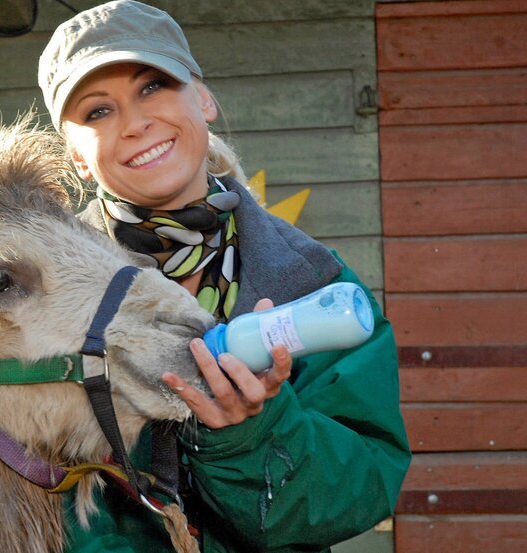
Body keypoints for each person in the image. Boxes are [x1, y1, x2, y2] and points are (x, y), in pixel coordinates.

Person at [37, 2, 411, 552]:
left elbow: (365, 486)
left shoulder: (312, 279)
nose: (136, 123)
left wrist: (249, 435)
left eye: (153, 86)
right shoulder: (38, 294)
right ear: (76, 158)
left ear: (203, 99)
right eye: (97, 112)